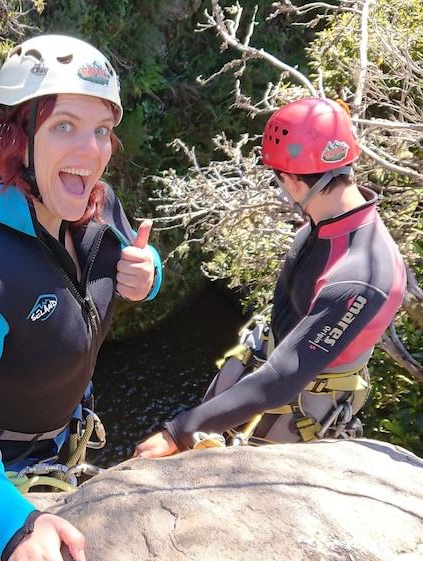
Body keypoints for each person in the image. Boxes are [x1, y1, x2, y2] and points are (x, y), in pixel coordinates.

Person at [0, 34, 162, 561]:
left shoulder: (97, 205)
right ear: (16, 136)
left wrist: (149, 274)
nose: (91, 151)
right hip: (0, 467)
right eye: (64, 126)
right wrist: (14, 527)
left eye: (102, 131)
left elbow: (134, 254)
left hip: (67, 435)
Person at [134, 97, 406, 458]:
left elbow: (283, 378)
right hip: (266, 367)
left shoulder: (361, 275)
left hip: (293, 406)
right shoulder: (331, 223)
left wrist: (178, 433)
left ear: (292, 182)